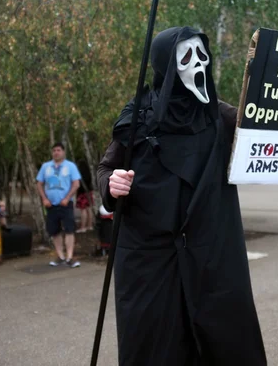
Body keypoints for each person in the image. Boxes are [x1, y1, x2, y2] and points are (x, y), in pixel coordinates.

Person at [98, 26, 267, 366]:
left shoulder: (215, 113)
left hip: (209, 253)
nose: (198, 64)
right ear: (166, 66)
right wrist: (111, 183)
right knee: (158, 344)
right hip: (151, 258)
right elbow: (106, 168)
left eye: (202, 55)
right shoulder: (138, 117)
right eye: (186, 57)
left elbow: (257, 127)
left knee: (222, 341)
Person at [36, 142, 81, 268]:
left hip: (66, 204)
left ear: (63, 152)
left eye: (59, 150)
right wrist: (44, 199)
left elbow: (76, 183)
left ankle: (70, 257)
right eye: (54, 150)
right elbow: (39, 184)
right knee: (54, 231)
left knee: (69, 230)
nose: (56, 152)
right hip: (51, 205)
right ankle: (60, 256)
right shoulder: (46, 166)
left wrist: (67, 198)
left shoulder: (70, 166)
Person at [75, 160, 94, 233]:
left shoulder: (80, 175)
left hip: (82, 193)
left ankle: (83, 227)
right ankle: (90, 225)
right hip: (89, 192)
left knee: (83, 210)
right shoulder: (88, 173)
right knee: (88, 209)